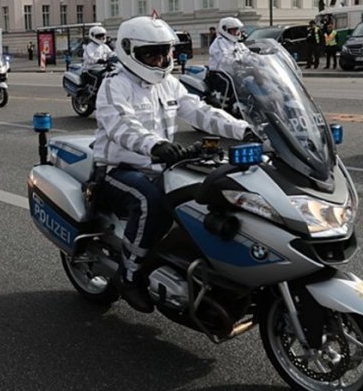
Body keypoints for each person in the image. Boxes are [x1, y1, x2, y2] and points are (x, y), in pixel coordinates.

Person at [94, 16, 251, 313]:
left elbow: (202, 112)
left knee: (212, 194)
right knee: (148, 201)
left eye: (164, 52)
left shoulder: (169, 84)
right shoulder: (115, 85)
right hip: (118, 168)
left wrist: (245, 129)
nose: (160, 59)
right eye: (151, 53)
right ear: (129, 51)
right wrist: (156, 145)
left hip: (163, 167)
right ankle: (129, 275)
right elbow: (122, 126)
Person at [208, 17, 249, 101]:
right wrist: (238, 62)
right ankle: (224, 104)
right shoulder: (219, 42)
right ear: (225, 30)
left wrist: (257, 59)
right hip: (219, 72)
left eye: (237, 30)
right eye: (233, 30)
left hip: (234, 72)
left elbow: (247, 53)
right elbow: (224, 59)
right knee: (229, 83)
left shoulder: (237, 43)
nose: (236, 32)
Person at [81, 26, 114, 91]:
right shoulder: (89, 47)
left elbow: (111, 53)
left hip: (102, 68)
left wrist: (117, 57)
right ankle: (96, 92)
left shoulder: (104, 46)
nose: (101, 38)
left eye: (103, 36)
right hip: (90, 69)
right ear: (93, 36)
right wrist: (99, 60)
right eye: (99, 36)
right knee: (101, 77)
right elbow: (91, 58)